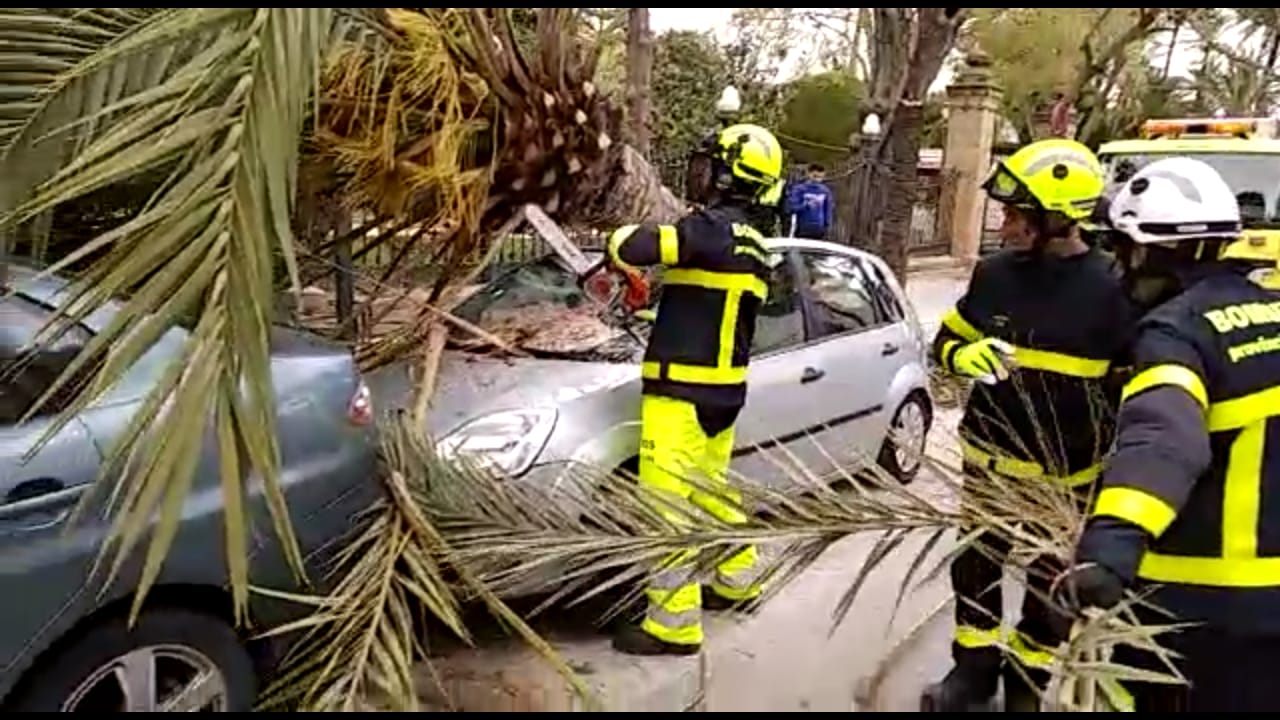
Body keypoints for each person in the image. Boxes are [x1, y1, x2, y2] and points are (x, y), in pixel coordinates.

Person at [1053, 157, 1280, 711]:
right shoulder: (1274, 313)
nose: (1118, 267)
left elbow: (1163, 440)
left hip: (1204, 610)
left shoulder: (1174, 334)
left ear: (1147, 253)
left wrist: (1108, 551)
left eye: (1121, 250)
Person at [921, 138, 1137, 711]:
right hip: (988, 464)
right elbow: (945, 342)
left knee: (1049, 587)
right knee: (974, 571)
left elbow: (1135, 385)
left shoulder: (1115, 287)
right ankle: (972, 672)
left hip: (1068, 476)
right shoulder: (993, 275)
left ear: (1060, 217)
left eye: (1020, 213)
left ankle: (1026, 682)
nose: (1007, 223)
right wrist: (957, 357)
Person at [605, 122, 784, 656]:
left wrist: (614, 240)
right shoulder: (755, 243)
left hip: (681, 391)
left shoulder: (710, 229)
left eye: (712, 165)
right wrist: (658, 308)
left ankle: (672, 625)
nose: (703, 174)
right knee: (711, 490)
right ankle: (737, 581)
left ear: (730, 176)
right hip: (723, 391)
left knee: (664, 505)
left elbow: (639, 245)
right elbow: (711, 303)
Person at [785, 163, 834, 239]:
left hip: (819, 230)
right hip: (801, 228)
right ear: (809, 174)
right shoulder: (799, 189)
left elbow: (828, 210)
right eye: (815, 176)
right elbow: (791, 208)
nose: (817, 180)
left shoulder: (825, 191)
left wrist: (827, 227)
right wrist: (805, 205)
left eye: (820, 177)